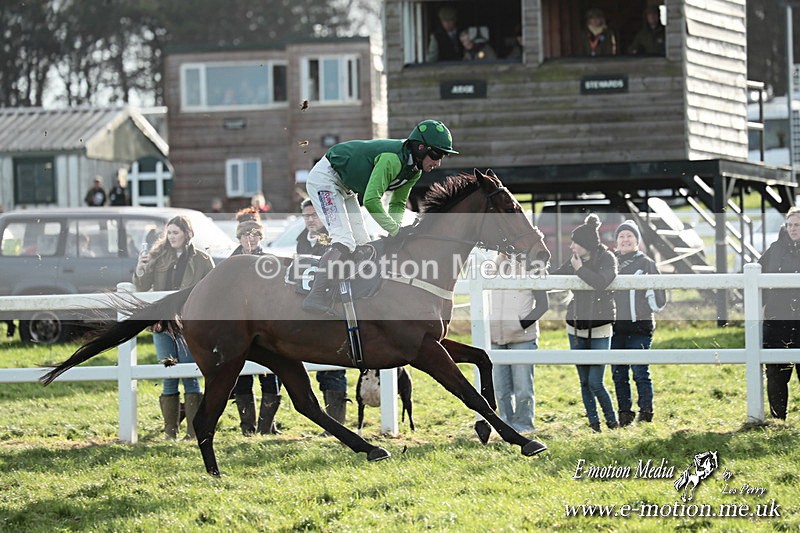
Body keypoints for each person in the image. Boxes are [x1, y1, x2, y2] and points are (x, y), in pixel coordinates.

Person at [302, 119, 458, 314]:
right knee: (344, 241)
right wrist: (395, 231)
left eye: (442, 156)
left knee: (363, 245)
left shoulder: (414, 171)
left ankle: (341, 293)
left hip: (345, 187)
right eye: (436, 154)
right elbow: (371, 200)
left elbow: (397, 203)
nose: (438, 162)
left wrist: (396, 229)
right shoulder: (391, 159)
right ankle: (315, 295)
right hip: (325, 179)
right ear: (420, 147)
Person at [133, 215, 214, 439]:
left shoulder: (202, 259)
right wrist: (141, 268)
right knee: (168, 375)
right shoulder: (159, 257)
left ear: (187, 234)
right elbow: (142, 285)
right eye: (168, 233)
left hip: (190, 325)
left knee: (190, 374)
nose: (171, 237)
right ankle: (171, 433)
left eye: (175, 232)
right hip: (162, 324)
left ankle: (193, 433)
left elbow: (211, 291)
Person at [552, 214, 619, 432]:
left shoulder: (607, 259)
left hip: (600, 328)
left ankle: (612, 421)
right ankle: (594, 424)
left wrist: (579, 270)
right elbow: (554, 277)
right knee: (583, 381)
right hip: (575, 326)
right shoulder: (574, 261)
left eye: (575, 243)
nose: (571, 246)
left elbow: (601, 282)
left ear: (586, 245)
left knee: (595, 382)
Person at [228, 208, 284, 435]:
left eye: (255, 234)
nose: (250, 238)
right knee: (242, 377)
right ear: (239, 237)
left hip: (268, 326)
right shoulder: (230, 264)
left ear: (261, 237)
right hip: (239, 326)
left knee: (271, 376)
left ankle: (267, 426)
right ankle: (247, 427)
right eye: (245, 235)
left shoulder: (270, 262)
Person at [296, 199, 348, 424]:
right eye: (306, 216)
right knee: (318, 364)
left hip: (331, 304)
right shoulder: (301, 240)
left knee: (334, 367)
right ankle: (329, 421)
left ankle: (337, 421)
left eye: (314, 215)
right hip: (310, 308)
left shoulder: (334, 239)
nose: (310, 220)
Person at [611, 220, 667, 426]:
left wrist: (646, 307)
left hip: (639, 328)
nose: (625, 240)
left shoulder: (646, 263)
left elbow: (659, 294)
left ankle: (645, 413)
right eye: (621, 236)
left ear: (637, 240)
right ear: (616, 241)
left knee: (640, 372)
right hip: (615, 329)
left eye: (629, 236)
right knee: (619, 374)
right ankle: (625, 414)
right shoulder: (610, 262)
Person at [489, 253, 549, 433]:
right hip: (495, 337)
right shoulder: (492, 268)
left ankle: (523, 427)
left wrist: (520, 324)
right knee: (500, 388)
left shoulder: (532, 267)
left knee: (523, 388)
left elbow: (543, 305)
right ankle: (505, 426)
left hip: (522, 338)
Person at [759, 207, 800, 421]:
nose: (793, 229)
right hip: (777, 321)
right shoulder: (775, 249)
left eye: (798, 225)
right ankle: (778, 420)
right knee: (776, 374)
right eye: (790, 225)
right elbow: (756, 273)